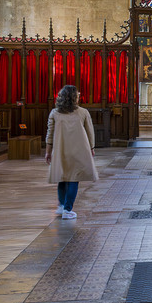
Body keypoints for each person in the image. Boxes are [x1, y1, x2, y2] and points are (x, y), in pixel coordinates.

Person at [44, 84, 98, 219]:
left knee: (62, 177)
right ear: (74, 98)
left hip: (60, 149)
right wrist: (91, 147)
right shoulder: (83, 112)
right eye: (78, 95)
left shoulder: (55, 113)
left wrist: (48, 151)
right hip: (79, 150)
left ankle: (61, 205)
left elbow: (49, 134)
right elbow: (90, 132)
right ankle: (68, 210)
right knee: (74, 178)